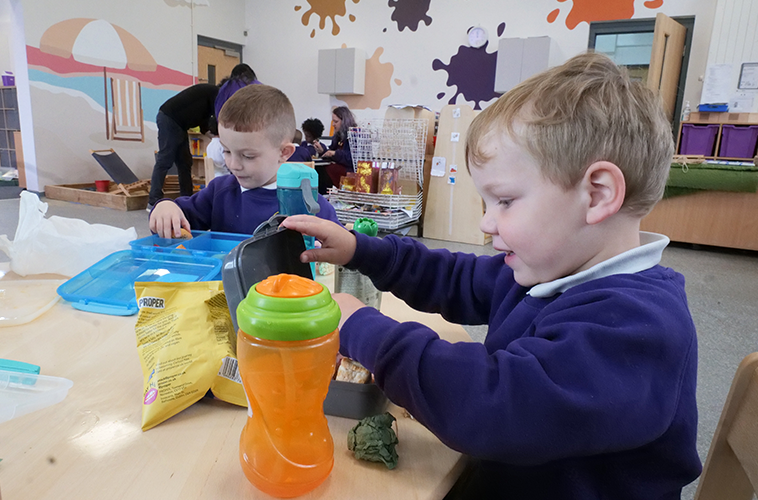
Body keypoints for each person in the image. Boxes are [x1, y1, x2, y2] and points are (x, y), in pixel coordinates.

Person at [282, 52, 701, 499]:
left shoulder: (641, 329)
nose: (486, 222)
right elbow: (455, 277)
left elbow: (495, 405)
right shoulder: (547, 270)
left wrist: (362, 328)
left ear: (596, 194)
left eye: (504, 201)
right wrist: (363, 250)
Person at [149, 84, 340, 237]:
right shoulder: (219, 192)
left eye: (248, 156)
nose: (233, 165)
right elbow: (180, 216)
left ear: (284, 152)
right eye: (227, 151)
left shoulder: (309, 203)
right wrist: (166, 207)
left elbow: (341, 247)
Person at [148, 83, 219, 207]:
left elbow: (205, 126)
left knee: (185, 162)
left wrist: (217, 139)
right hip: (169, 118)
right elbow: (217, 121)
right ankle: (153, 200)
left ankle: (187, 199)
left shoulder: (208, 99)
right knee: (165, 160)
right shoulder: (215, 94)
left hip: (180, 125)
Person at [207, 64, 263, 178]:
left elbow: (219, 113)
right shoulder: (259, 87)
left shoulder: (226, 88)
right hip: (256, 132)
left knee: (235, 164)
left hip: (231, 132)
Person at [313, 106, 355, 189]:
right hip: (337, 170)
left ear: (344, 122)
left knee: (321, 171)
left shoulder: (354, 135)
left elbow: (352, 158)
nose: (333, 124)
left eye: (336, 121)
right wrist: (322, 151)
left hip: (349, 172)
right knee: (316, 169)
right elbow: (331, 151)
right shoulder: (337, 136)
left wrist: (335, 153)